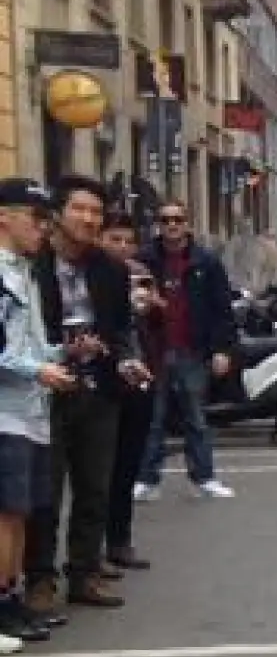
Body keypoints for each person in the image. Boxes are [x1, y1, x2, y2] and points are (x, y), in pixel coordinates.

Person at [25, 176, 148, 613]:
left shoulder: (111, 269)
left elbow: (121, 331)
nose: (90, 219)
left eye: (96, 212)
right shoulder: (31, 263)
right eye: (81, 210)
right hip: (44, 389)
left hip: (98, 390)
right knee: (46, 492)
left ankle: (85, 573)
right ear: (58, 213)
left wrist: (128, 360)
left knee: (95, 487)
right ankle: (40, 579)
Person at [0, 177, 66, 648]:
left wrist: (65, 354)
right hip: (5, 412)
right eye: (36, 219)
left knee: (21, 513)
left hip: (30, 410)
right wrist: (38, 370)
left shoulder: (24, 271)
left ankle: (13, 599)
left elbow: (32, 343)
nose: (43, 230)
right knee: (6, 514)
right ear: (5, 217)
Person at [134, 199, 235, 504]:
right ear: (158, 225)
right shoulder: (145, 259)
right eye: (166, 220)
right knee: (153, 418)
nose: (172, 225)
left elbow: (222, 309)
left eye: (178, 219)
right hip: (154, 350)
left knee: (196, 418)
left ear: (187, 223)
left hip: (192, 349)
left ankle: (204, 477)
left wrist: (222, 349)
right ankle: (146, 479)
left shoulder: (207, 261)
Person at [100, 214, 156, 573]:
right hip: (103, 380)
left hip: (141, 377)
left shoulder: (140, 273)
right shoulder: (92, 275)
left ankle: (119, 540)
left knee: (126, 465)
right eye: (113, 239)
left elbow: (159, 322)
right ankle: (86, 555)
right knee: (95, 471)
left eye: (127, 240)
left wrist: (150, 306)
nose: (121, 247)